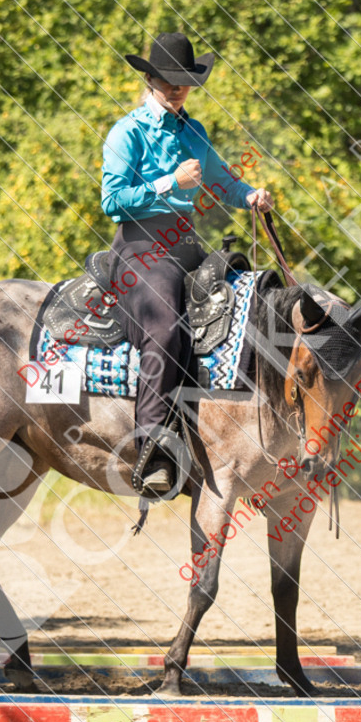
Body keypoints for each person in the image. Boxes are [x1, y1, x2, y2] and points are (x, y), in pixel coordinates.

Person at [102, 31, 273, 495]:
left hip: (185, 247)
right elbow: (112, 201)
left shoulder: (194, 131)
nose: (177, 88)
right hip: (139, 250)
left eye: (184, 81)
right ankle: (153, 445)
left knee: (255, 299)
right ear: (150, 78)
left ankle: (241, 434)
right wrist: (167, 182)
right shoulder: (127, 133)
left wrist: (250, 195)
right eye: (167, 80)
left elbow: (223, 181)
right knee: (167, 326)